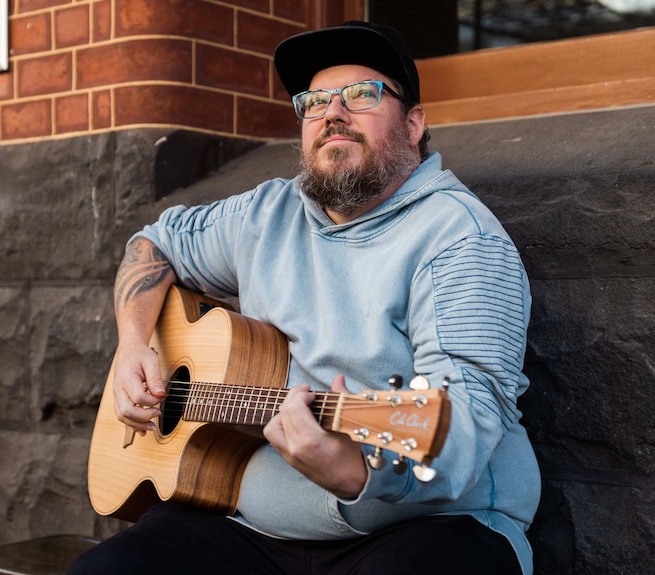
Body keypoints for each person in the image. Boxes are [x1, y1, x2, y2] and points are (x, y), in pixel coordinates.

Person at [70, 20, 540, 575]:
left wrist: (357, 475)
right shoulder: (267, 213)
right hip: (249, 526)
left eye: (362, 95)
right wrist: (131, 348)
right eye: (313, 101)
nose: (332, 113)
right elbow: (154, 243)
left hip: (425, 526)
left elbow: (465, 425)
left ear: (414, 125)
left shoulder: (460, 240)